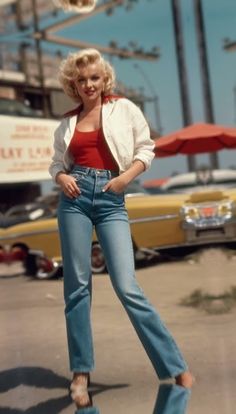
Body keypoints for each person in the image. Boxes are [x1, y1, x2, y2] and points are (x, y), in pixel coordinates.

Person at [49, 48, 193, 407]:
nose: (88, 85)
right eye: (81, 80)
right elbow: (55, 165)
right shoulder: (67, 123)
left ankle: (176, 367)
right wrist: (63, 176)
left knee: (127, 286)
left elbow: (146, 149)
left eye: (94, 78)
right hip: (74, 199)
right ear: (73, 84)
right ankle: (80, 375)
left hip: (113, 196)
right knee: (77, 288)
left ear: (105, 79)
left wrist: (124, 180)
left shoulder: (124, 108)